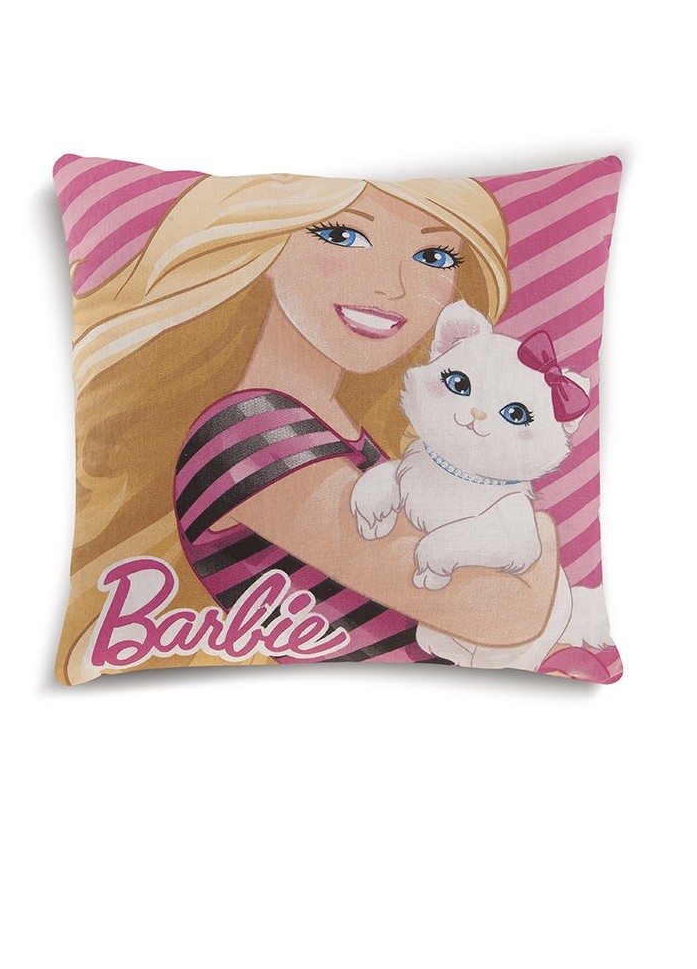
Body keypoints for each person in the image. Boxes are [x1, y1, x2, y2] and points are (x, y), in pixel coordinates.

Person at [57, 170, 563, 684]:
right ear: (268, 247)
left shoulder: (339, 430)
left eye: (433, 257)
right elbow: (506, 612)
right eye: (342, 235)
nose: (391, 286)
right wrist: (532, 524)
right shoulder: (251, 435)